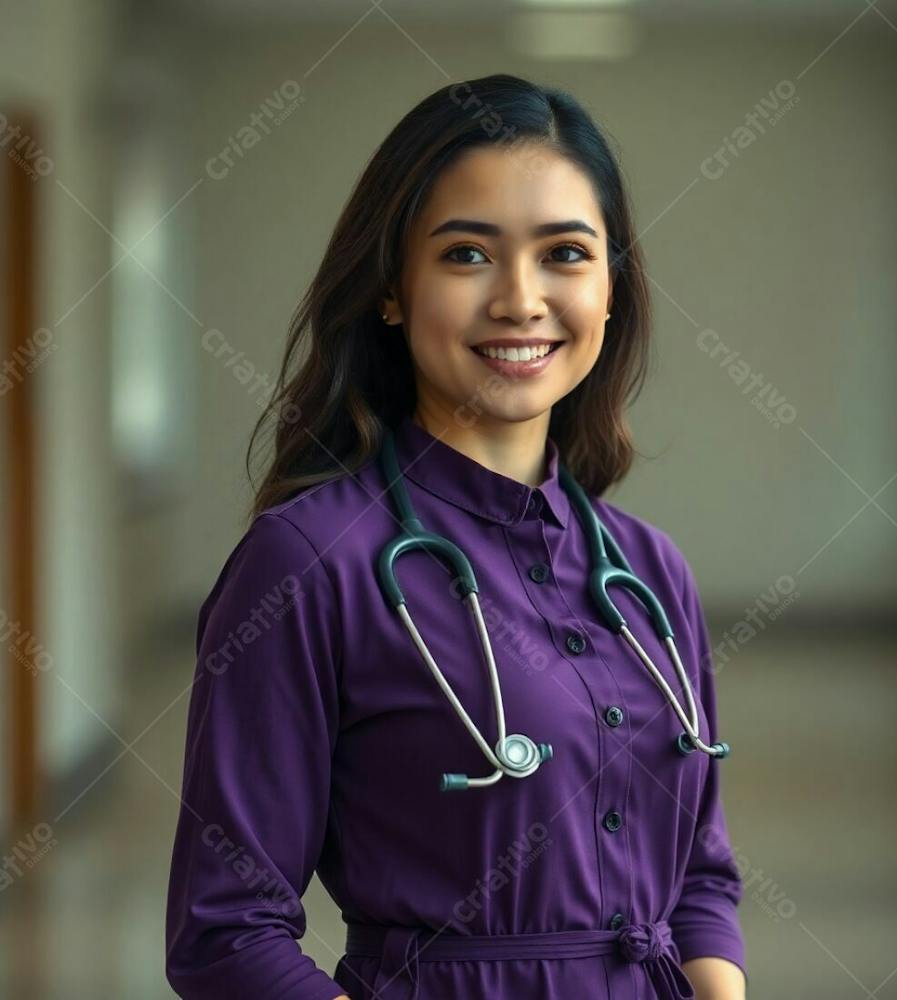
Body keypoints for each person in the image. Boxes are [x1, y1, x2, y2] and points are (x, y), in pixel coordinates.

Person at [164, 73, 747, 1000]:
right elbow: (227, 936)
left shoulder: (647, 572)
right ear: (392, 289)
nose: (521, 300)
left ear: (611, 291)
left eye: (565, 254)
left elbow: (701, 880)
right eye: (468, 254)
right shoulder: (310, 565)